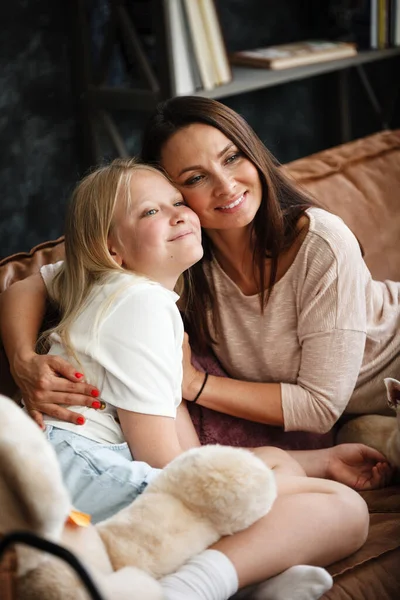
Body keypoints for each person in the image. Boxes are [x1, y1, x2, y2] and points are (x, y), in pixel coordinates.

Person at [0, 157, 390, 600]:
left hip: (76, 468)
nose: (179, 213)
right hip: (77, 474)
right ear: (113, 251)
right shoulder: (137, 303)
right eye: (151, 211)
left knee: (286, 476)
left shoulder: (123, 294)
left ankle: (247, 582)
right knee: (339, 510)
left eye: (177, 202)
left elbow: (191, 457)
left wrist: (316, 462)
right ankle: (187, 592)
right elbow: (167, 464)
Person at [3, 97, 399, 439]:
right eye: (196, 178)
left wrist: (193, 383)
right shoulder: (176, 250)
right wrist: (23, 360)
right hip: (364, 416)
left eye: (232, 157)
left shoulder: (322, 242)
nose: (226, 186)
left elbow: (318, 407)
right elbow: (28, 286)